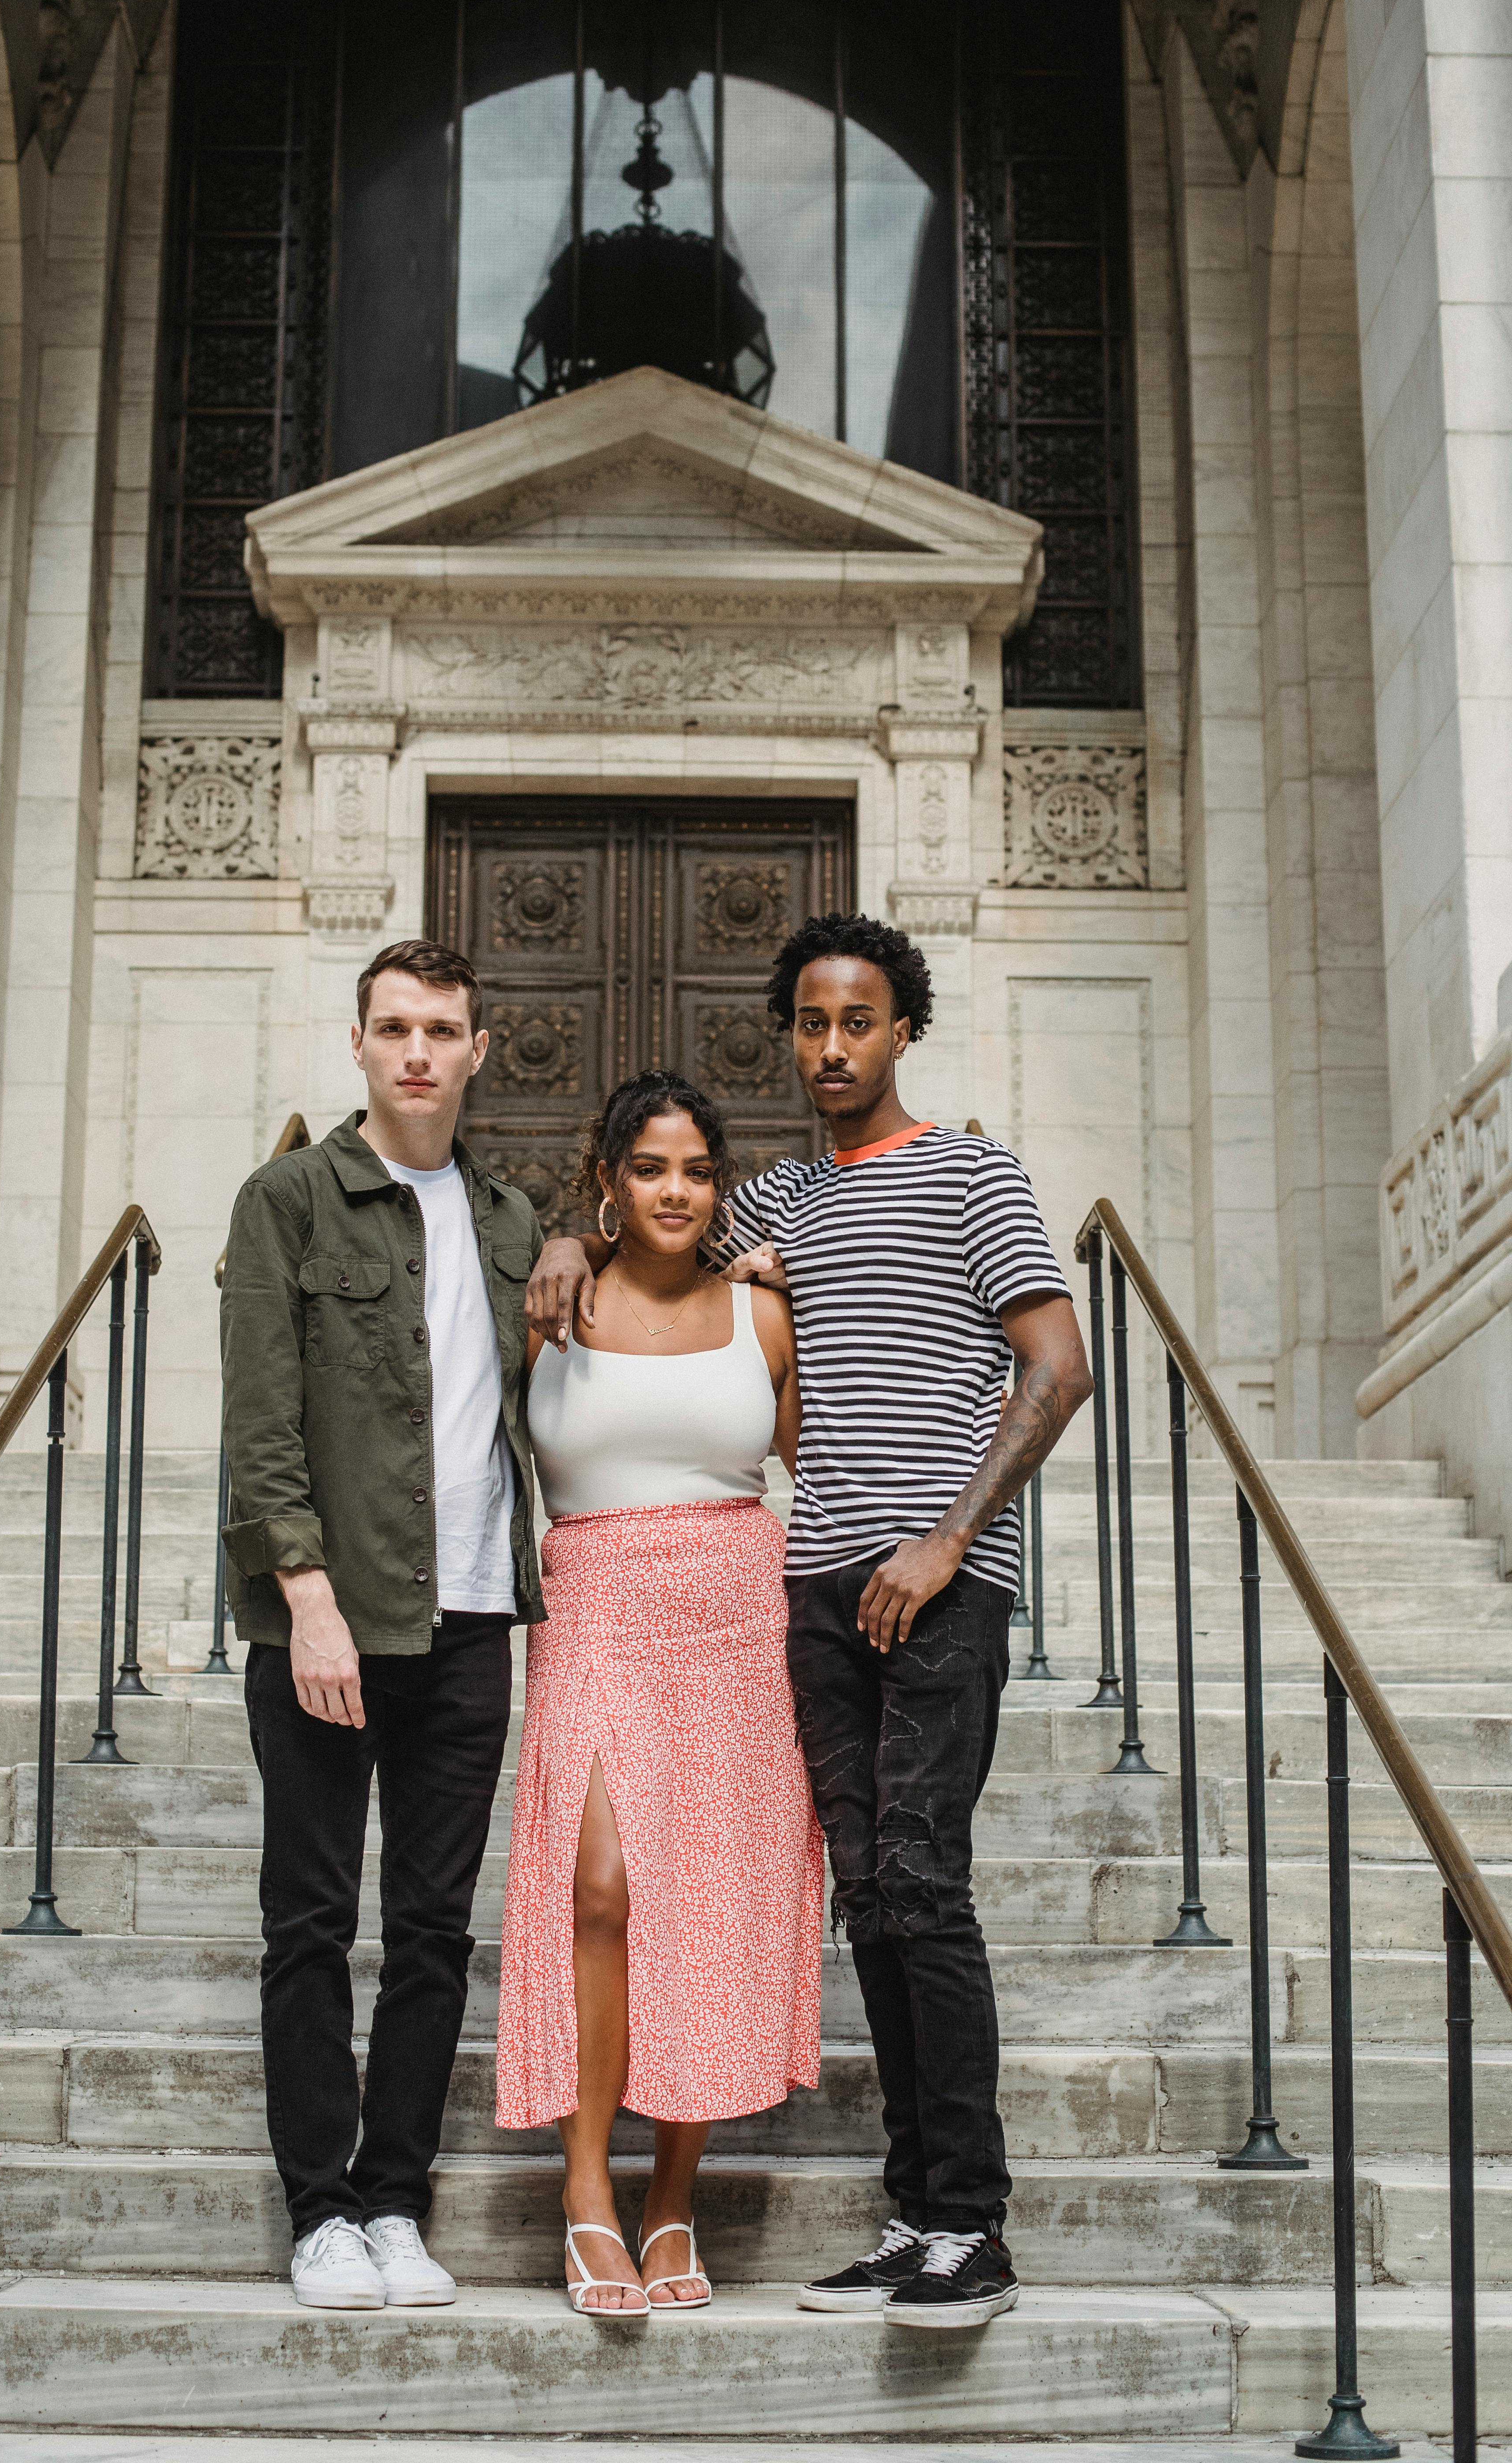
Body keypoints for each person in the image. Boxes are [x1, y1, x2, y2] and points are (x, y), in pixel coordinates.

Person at [526, 912, 1092, 2332]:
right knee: (873, 1899)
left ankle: (971, 2221)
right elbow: (653, 1218)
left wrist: (950, 1541)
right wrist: (551, 1231)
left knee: (922, 1881)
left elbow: (1059, 1364)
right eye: (812, 1023)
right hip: (811, 1593)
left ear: (906, 1028)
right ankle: (918, 2216)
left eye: (862, 1020)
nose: (833, 1046)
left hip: (940, 1583)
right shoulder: (773, 1205)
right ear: (789, 1033)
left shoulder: (975, 1174)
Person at [219, 937, 547, 2313]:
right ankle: (321, 2212)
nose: (419, 1052)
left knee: (430, 1930)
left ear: (479, 1051)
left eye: (444, 1030)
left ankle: (398, 2203)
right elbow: (262, 1423)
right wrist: (307, 1601)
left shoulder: (513, 1220)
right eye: (395, 1027)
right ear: (358, 1042)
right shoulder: (289, 1200)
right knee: (309, 1919)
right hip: (330, 1622)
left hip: (472, 1621)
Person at [497, 1069, 820, 2320]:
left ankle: (673, 2197)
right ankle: (587, 2191)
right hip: (596, 1602)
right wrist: (563, 1248)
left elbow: (829, 1470)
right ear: (609, 1182)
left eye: (696, 1170)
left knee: (703, 1905)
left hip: (739, 1611)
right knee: (600, 1889)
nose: (676, 1191)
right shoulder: (551, 1303)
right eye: (649, 1168)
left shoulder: (764, 1316)